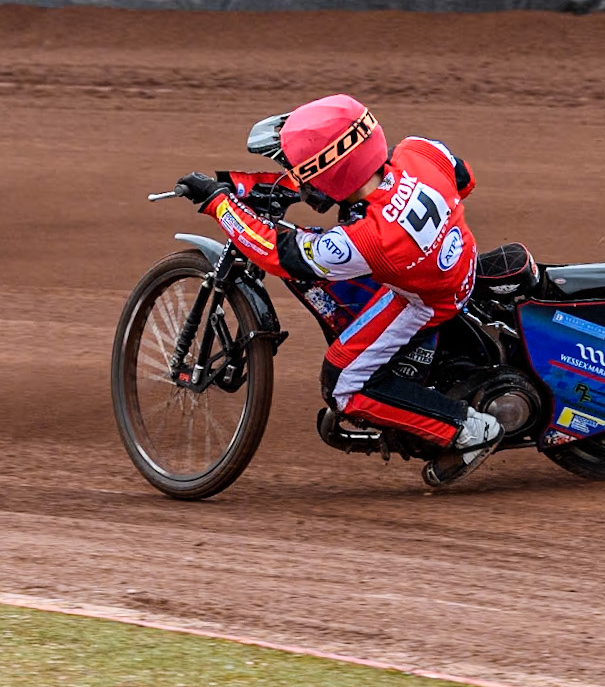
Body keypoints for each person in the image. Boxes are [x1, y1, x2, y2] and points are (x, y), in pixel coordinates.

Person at [176, 94, 502, 483]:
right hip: (461, 257)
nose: (298, 179)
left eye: (301, 172)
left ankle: (469, 429)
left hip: (429, 302)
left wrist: (220, 204)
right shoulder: (419, 150)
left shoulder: (368, 240)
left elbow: (282, 255)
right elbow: (464, 178)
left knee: (344, 383)